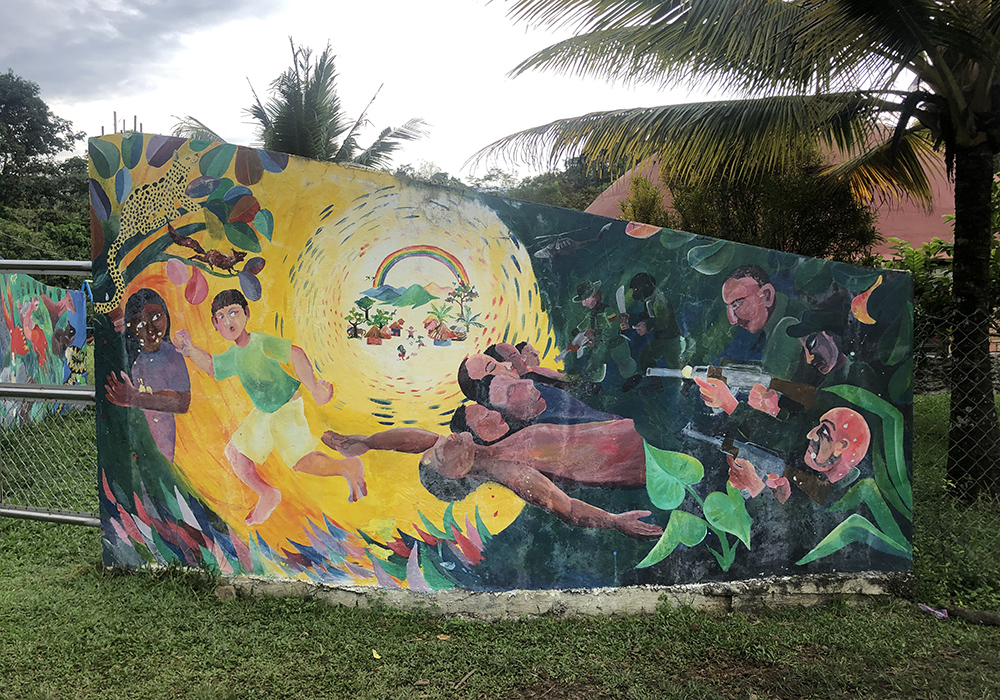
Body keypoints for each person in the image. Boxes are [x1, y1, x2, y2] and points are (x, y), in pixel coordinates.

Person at [176, 289, 366, 526]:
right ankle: (267, 493)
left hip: (286, 409)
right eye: (221, 317)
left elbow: (295, 354)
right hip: (264, 414)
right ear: (215, 324)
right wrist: (190, 349)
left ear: (246, 313)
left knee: (302, 461)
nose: (228, 321)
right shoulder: (235, 354)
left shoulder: (261, 343)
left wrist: (315, 389)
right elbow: (212, 367)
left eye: (233, 313)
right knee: (236, 453)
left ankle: (347, 466)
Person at [322, 410, 663, 540]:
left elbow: (414, 441)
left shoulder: (482, 452)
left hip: (634, 428)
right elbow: (569, 509)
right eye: (440, 451)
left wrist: (366, 443)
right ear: (458, 474)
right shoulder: (513, 474)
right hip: (642, 457)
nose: (443, 439)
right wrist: (615, 522)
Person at [105, 289, 190, 463]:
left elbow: (182, 402)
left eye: (157, 317)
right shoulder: (127, 355)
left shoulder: (173, 356)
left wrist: (135, 398)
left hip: (160, 445)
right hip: (129, 438)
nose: (151, 328)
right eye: (141, 324)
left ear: (166, 315)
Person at [726, 407, 871, 505]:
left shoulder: (841, 499)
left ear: (841, 446)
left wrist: (756, 488)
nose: (810, 434)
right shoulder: (816, 475)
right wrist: (781, 496)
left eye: (823, 430)